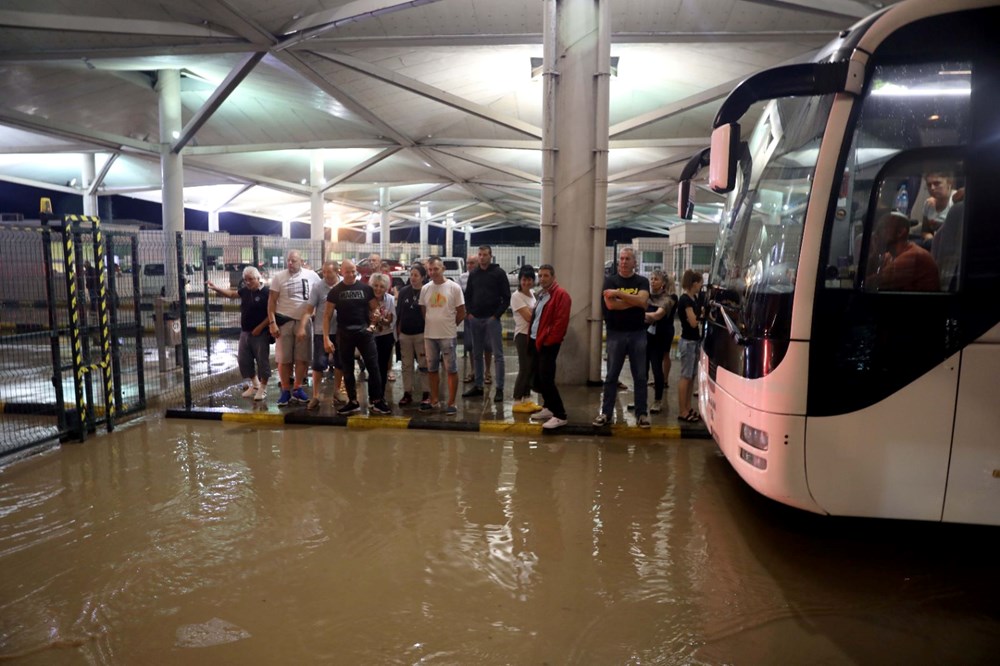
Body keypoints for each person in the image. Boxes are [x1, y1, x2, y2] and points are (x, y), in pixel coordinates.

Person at [323, 260, 392, 416]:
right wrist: (326, 338)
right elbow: (326, 316)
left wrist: (372, 326)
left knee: (373, 367)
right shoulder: (335, 291)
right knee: (347, 369)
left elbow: (375, 309)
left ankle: (377, 401)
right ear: (341, 272)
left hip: (364, 333)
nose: (351, 274)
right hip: (344, 334)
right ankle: (353, 401)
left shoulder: (366, 289)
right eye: (348, 271)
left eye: (353, 271)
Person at [594, 246, 651, 428]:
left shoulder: (642, 281)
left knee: (640, 376)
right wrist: (635, 302)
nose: (624, 262)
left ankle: (641, 414)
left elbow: (643, 301)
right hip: (615, 333)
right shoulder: (610, 281)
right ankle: (606, 413)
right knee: (611, 375)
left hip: (638, 333)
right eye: (622, 258)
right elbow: (611, 306)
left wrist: (619, 294)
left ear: (634, 262)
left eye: (628, 259)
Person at [207, 266, 271, 401]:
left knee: (262, 361)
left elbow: (271, 313)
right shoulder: (246, 291)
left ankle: (263, 388)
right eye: (246, 280)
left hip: (261, 333)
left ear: (258, 278)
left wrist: (261, 327)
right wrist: (216, 288)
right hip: (245, 331)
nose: (248, 282)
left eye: (251, 279)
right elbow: (232, 294)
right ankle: (255, 384)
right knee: (243, 360)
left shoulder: (266, 292)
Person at [267, 250, 321, 406]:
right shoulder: (279, 277)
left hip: (304, 322)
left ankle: (297, 388)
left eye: (294, 261)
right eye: (288, 260)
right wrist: (272, 323)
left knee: (302, 358)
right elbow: (271, 302)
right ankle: (285, 390)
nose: (290, 263)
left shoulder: (312, 276)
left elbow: (321, 292)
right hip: (284, 321)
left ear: (301, 261)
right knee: (284, 359)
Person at [524, 264, 571, 430]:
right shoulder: (542, 295)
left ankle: (560, 415)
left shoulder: (561, 295)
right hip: (536, 340)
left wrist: (549, 340)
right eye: (540, 276)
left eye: (546, 276)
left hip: (547, 343)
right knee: (539, 377)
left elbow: (561, 322)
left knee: (547, 378)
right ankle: (549, 407)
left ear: (553, 277)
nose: (542, 279)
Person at [463, 245, 511, 403]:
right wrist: (470, 313)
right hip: (475, 319)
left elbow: (506, 297)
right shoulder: (474, 274)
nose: (482, 257)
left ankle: (499, 389)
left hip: (492, 320)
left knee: (498, 355)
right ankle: (478, 386)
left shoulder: (499, 273)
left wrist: (496, 316)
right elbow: (468, 295)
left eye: (485, 254)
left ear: (491, 256)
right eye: (480, 254)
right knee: (477, 354)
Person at [419, 256, 466, 415]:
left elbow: (461, 311)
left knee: (451, 369)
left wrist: (451, 325)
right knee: (432, 369)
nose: (433, 272)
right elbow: (424, 311)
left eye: (436, 269)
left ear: (443, 269)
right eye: (430, 270)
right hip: (430, 336)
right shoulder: (425, 289)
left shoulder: (454, 288)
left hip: (447, 335)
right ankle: (434, 400)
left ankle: (452, 402)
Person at [304, 260, 345, 410]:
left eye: (329, 272)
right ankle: (315, 395)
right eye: (324, 272)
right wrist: (302, 326)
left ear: (337, 271)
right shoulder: (318, 287)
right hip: (321, 331)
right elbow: (309, 309)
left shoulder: (344, 284)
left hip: (341, 330)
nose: (326, 275)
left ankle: (337, 391)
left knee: (340, 362)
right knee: (318, 364)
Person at [867, 211, 940, 292]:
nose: (876, 233)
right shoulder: (890, 255)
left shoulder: (913, 257)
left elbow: (869, 283)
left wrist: (876, 251)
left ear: (900, 232)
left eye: (882, 228)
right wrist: (876, 253)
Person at [396, 263, 431, 408]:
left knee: (423, 364)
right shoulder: (404, 291)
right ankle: (407, 392)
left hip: (421, 334)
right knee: (406, 365)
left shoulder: (426, 291)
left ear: (423, 277)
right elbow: (399, 312)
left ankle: (426, 392)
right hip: (405, 334)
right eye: (411, 275)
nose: (413, 278)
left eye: (416, 275)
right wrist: (398, 331)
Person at [644, 270, 678, 414]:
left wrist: (637, 314)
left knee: (657, 368)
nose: (652, 281)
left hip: (660, 337)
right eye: (651, 278)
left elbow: (658, 315)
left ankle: (658, 400)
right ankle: (640, 399)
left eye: (656, 279)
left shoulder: (669, 298)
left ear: (663, 283)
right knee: (642, 369)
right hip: (646, 336)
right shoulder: (648, 296)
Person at [510, 265, 540, 413]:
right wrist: (537, 313)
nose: (526, 282)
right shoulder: (517, 296)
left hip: (532, 335)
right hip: (522, 335)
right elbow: (528, 317)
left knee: (531, 368)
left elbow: (533, 314)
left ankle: (527, 399)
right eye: (524, 279)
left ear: (533, 281)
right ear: (520, 280)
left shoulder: (533, 294)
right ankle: (517, 400)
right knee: (525, 368)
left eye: (529, 280)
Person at [677, 269, 704, 423]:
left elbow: (695, 318)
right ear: (694, 284)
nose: (701, 286)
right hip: (687, 342)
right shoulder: (685, 300)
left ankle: (687, 407)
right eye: (700, 283)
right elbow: (693, 322)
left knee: (691, 377)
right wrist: (700, 316)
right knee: (685, 377)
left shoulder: (694, 299)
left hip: (694, 341)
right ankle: (682, 411)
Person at [369, 273, 396, 402]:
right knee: (372, 366)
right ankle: (372, 396)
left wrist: (381, 320)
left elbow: (390, 320)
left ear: (386, 288)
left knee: (383, 366)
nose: (378, 289)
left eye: (381, 286)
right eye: (375, 285)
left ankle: (380, 396)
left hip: (386, 335)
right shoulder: (367, 299)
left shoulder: (390, 299)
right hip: (371, 336)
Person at [920, 171, 954, 241]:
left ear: (949, 182)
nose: (932, 188)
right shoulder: (928, 204)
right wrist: (928, 237)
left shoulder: (955, 202)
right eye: (929, 185)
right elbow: (925, 230)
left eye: (937, 183)